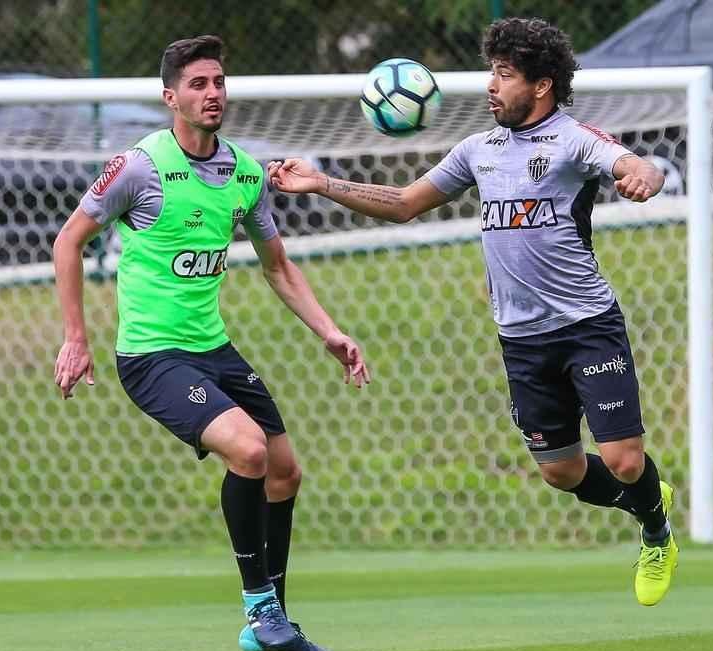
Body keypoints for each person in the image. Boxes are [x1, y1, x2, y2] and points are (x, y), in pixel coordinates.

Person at [270, 17, 678, 606]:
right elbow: (404, 202)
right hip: (521, 339)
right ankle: (647, 501)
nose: (491, 85)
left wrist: (643, 176)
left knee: (624, 460)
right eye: (492, 71)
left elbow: (634, 165)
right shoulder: (477, 151)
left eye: (504, 75)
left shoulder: (573, 140)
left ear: (541, 86)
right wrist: (320, 183)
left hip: (587, 325)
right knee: (560, 471)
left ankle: (656, 532)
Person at [52, 35, 369, 651]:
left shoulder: (245, 173)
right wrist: (76, 338)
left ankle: (271, 624)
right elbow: (69, 242)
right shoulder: (139, 166)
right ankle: (261, 609)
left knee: (285, 471)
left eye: (219, 81)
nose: (213, 93)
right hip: (152, 356)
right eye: (198, 84)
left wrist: (330, 331)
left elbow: (278, 266)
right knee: (248, 450)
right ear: (170, 97)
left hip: (213, 349)